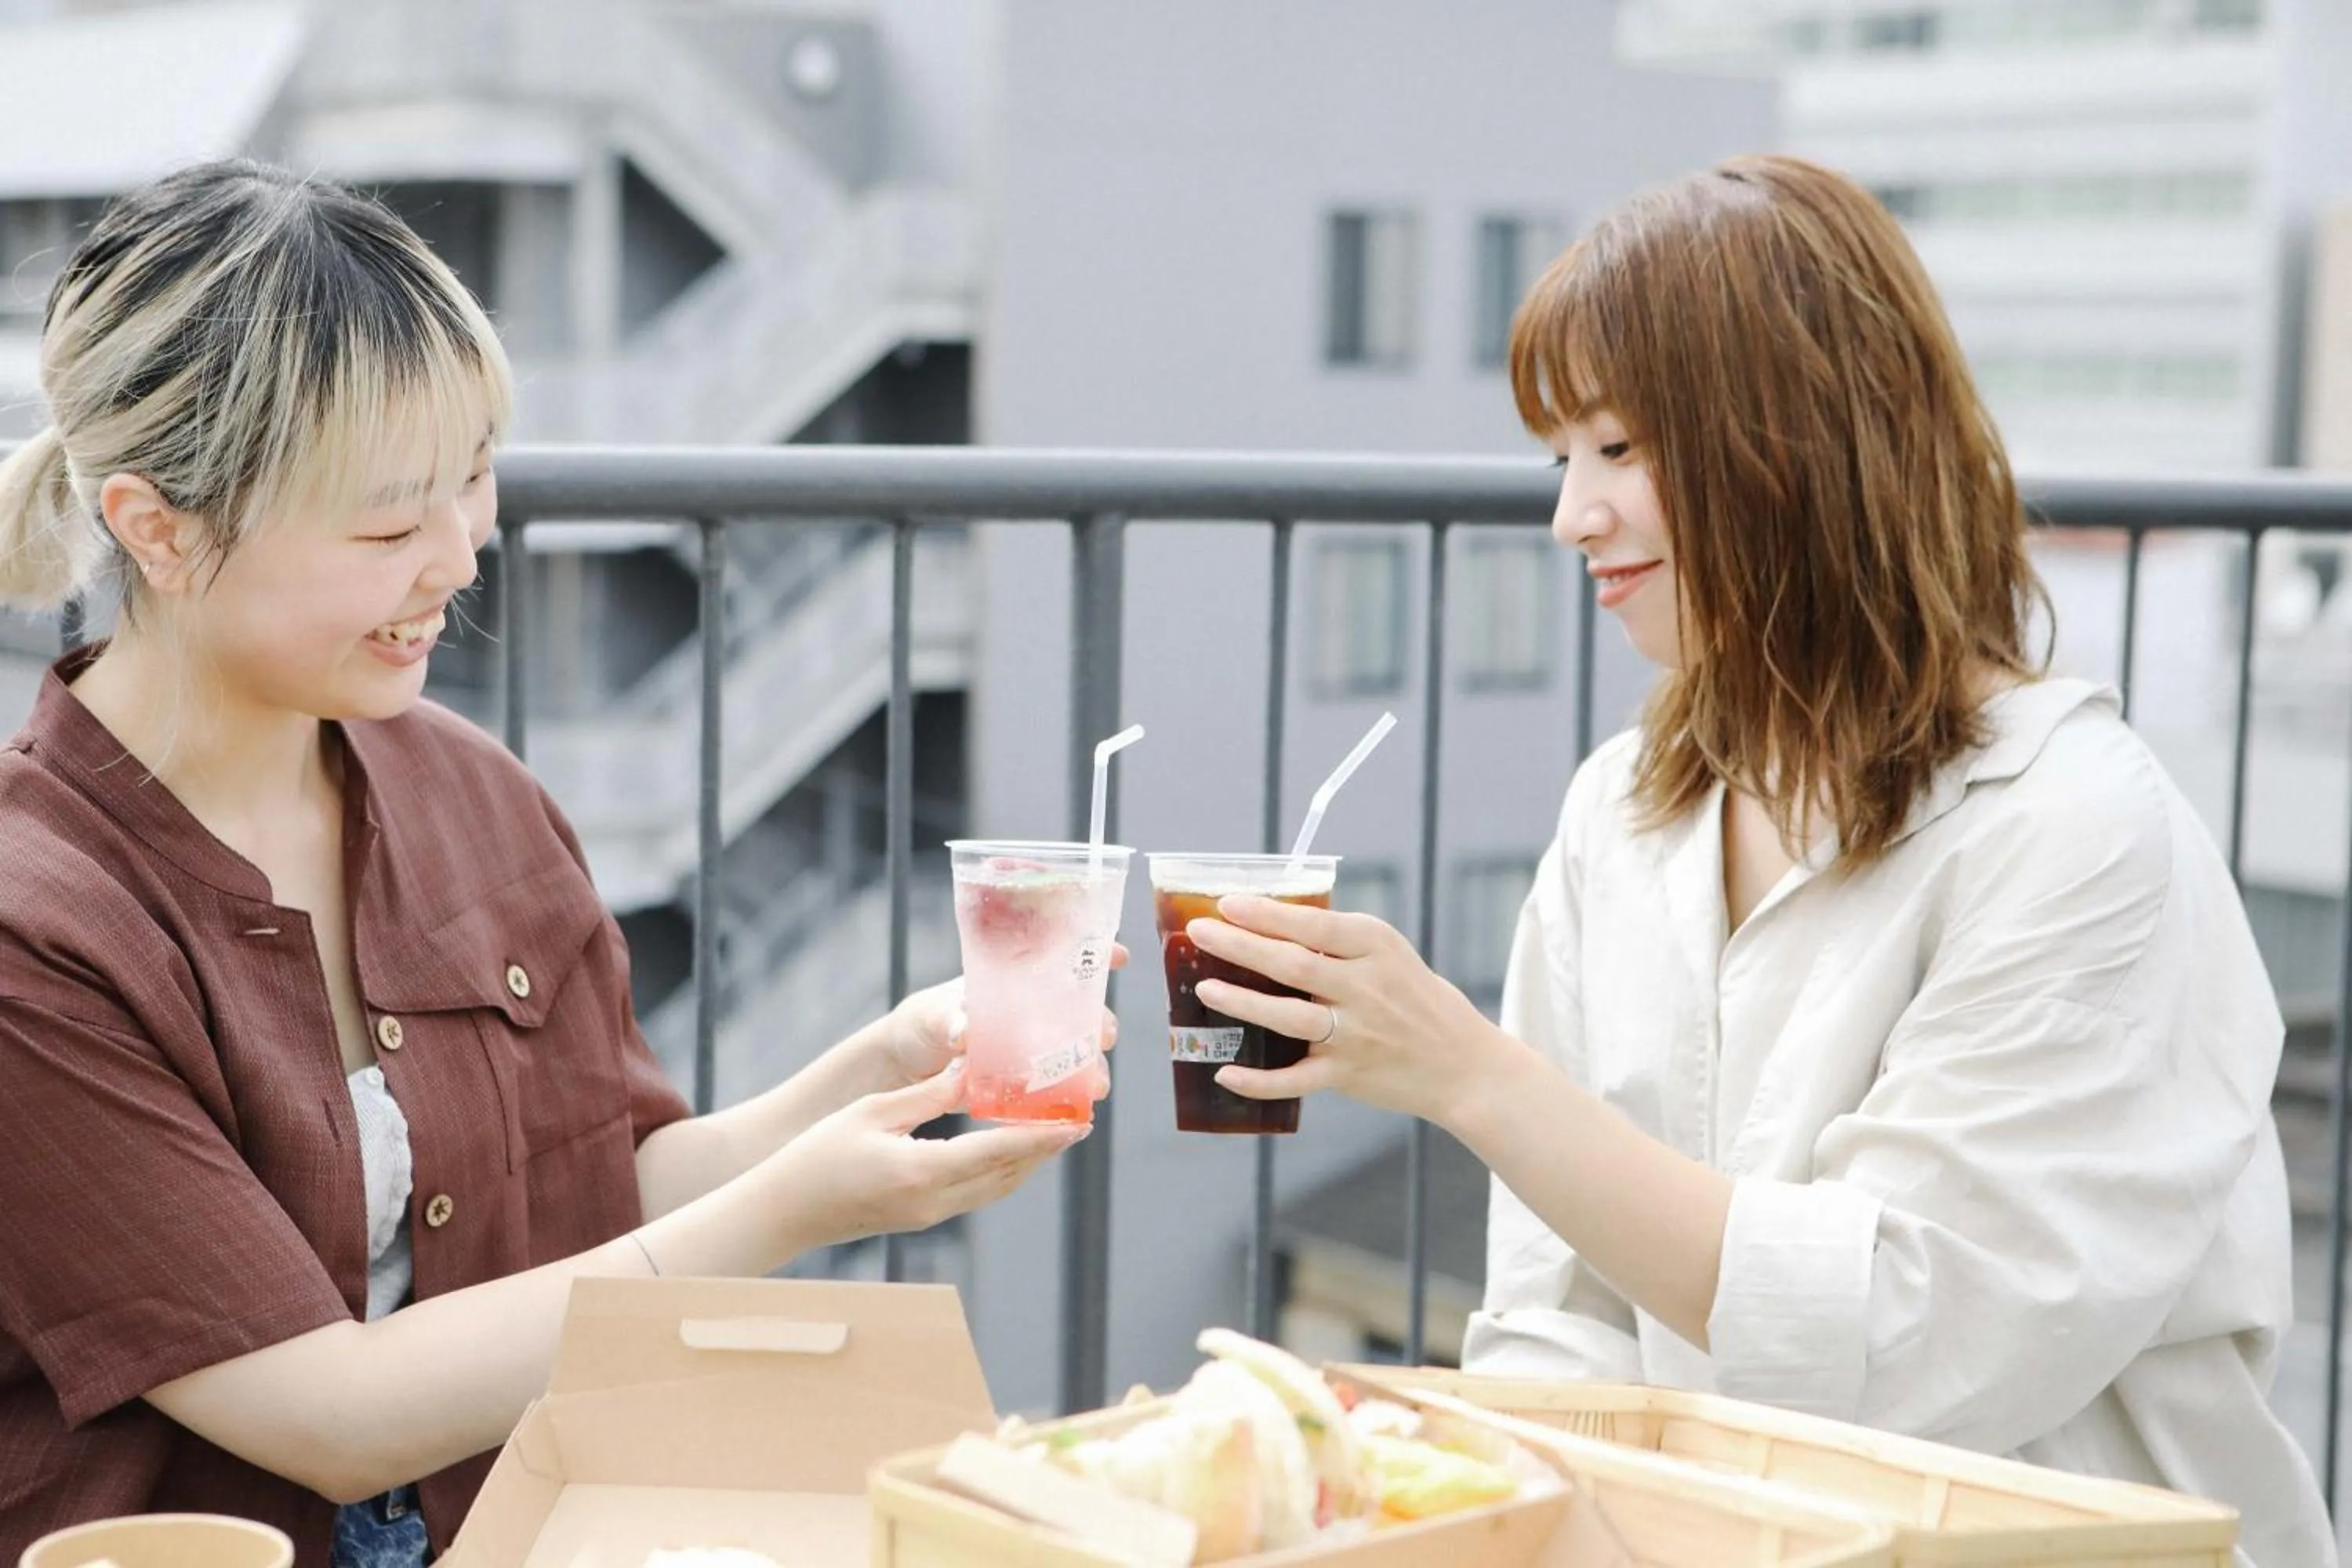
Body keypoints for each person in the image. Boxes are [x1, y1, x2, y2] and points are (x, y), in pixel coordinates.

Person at [1189, 154, 2335, 1566]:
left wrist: (1471, 1077)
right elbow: (1555, 1323)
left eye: (1619, 451)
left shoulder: (2080, 835)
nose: (1571, 516)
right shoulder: (1621, 817)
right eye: (1565, 458)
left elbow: (1907, 1353)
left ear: (1788, 445)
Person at [0, 162, 1096, 1567]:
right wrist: (804, 1201)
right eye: (391, 525)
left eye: (474, 479)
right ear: (159, 528)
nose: (461, 558)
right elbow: (331, 1414)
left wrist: (875, 1078)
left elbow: (598, 1198)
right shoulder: (41, 925)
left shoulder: (472, 795)